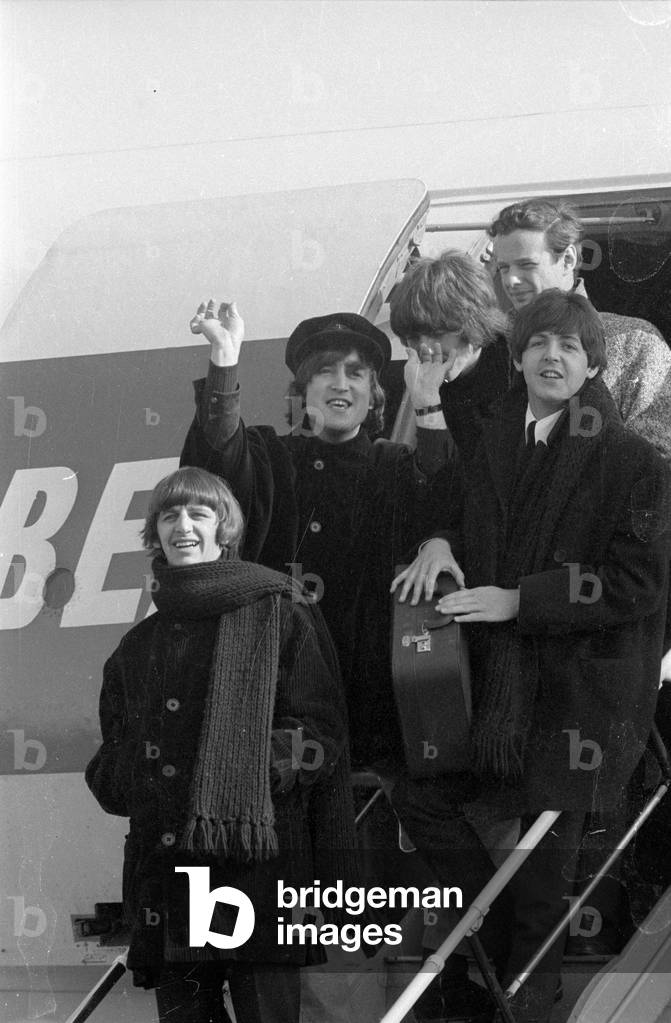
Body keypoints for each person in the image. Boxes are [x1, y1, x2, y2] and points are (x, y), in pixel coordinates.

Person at [392, 290, 670, 1023]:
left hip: (580, 702)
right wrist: (438, 541)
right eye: (539, 343)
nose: (553, 357)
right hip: (494, 694)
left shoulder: (633, 461)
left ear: (593, 367)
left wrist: (519, 600)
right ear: (515, 359)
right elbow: (451, 510)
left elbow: (637, 583)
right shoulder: (492, 440)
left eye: (570, 347)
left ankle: (525, 998)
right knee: (421, 797)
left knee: (545, 894)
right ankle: (494, 927)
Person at [85, 466, 353, 1023]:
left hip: (259, 864)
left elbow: (319, 732)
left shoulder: (281, 612)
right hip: (168, 874)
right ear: (155, 534)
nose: (183, 526)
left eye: (198, 513)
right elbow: (110, 763)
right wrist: (142, 774)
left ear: (223, 528)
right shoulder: (136, 648)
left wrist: (243, 768)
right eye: (169, 515)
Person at [180, 301, 459, 767]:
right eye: (325, 371)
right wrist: (224, 357)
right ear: (302, 390)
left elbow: (444, 494)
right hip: (277, 694)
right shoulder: (270, 456)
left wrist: (428, 399)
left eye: (356, 373)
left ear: (374, 393)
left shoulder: (391, 465)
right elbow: (217, 457)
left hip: (372, 707)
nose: (340, 384)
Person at [489, 197, 671, 458]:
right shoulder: (493, 344)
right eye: (504, 268)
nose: (511, 280)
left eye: (526, 265)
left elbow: (658, 465)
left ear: (568, 259)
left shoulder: (635, 343)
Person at [389, 248, 510, 463]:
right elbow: (436, 476)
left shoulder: (521, 370)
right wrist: (428, 405)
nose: (426, 349)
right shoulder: (418, 385)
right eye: (413, 337)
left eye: (437, 333)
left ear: (473, 323)